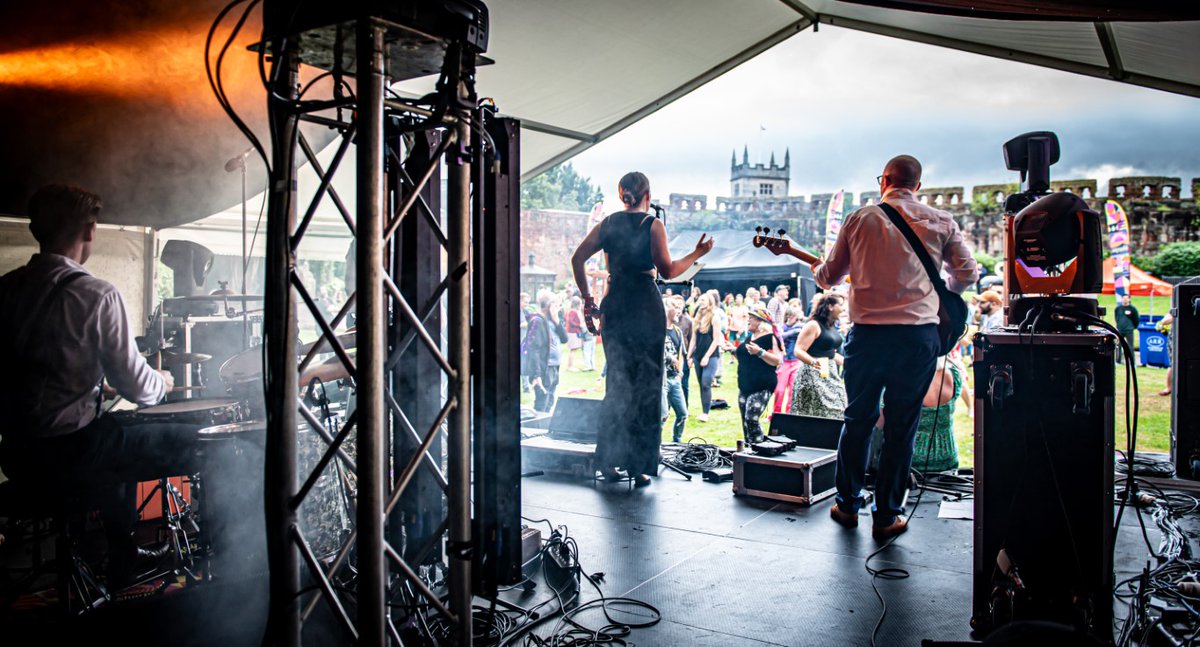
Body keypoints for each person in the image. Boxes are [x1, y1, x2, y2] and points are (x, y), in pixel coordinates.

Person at [0, 185, 200, 588]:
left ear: (37, 229)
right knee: (196, 439)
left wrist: (91, 390)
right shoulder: (96, 295)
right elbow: (139, 387)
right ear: (90, 230)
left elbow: (38, 374)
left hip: (18, 456)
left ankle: (120, 553)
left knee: (116, 439)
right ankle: (196, 563)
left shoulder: (6, 288)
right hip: (70, 456)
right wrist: (160, 380)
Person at [813, 155, 978, 541]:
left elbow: (829, 276)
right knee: (903, 426)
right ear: (917, 186)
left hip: (869, 336)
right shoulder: (940, 221)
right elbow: (967, 273)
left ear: (884, 180)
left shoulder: (860, 218)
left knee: (858, 421)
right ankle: (887, 515)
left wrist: (817, 271)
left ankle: (847, 504)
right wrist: (941, 295)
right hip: (917, 338)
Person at [571, 172, 713, 486]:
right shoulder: (652, 225)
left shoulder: (607, 224)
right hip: (646, 308)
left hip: (616, 304)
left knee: (618, 386)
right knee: (647, 388)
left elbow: (577, 257)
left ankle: (608, 464)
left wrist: (586, 299)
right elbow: (670, 270)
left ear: (621, 194)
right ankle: (638, 466)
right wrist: (697, 254)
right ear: (647, 195)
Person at [788, 293, 848, 420]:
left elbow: (830, 353)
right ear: (830, 307)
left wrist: (849, 363)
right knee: (816, 412)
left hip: (829, 371)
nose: (843, 309)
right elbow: (798, 350)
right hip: (812, 374)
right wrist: (815, 363)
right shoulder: (813, 325)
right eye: (841, 305)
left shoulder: (830, 326)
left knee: (839, 408)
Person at [735, 307, 782, 444]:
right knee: (745, 421)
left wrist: (760, 352)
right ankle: (748, 452)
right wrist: (732, 350)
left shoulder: (770, 337)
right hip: (744, 385)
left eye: (751, 317)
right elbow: (746, 358)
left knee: (751, 419)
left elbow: (777, 360)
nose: (748, 320)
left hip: (762, 385)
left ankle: (759, 448)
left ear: (761, 321)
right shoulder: (750, 337)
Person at [525, 290, 568, 412]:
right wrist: (537, 375)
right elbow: (534, 350)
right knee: (542, 402)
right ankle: (538, 429)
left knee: (549, 401)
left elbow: (565, 339)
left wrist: (556, 320)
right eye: (556, 305)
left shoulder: (554, 321)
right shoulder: (537, 321)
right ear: (550, 306)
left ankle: (545, 429)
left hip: (554, 367)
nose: (559, 308)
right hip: (544, 368)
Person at [688, 292, 724, 423]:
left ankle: (705, 413)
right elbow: (693, 339)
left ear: (710, 302)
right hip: (698, 356)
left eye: (704, 300)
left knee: (706, 383)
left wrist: (707, 357)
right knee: (700, 384)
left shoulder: (715, 317)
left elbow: (716, 340)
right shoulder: (696, 317)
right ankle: (704, 411)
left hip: (712, 355)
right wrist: (689, 356)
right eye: (700, 300)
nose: (701, 302)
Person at [661, 299, 688, 443]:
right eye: (676, 307)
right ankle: (655, 445)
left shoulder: (677, 330)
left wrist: (680, 373)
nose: (679, 310)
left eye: (680, 307)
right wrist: (668, 358)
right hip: (661, 380)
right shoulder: (657, 329)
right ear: (666, 309)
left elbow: (680, 353)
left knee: (682, 414)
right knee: (662, 415)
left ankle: (676, 442)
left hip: (674, 379)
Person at [773, 306, 806, 414]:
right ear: (790, 317)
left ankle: (789, 414)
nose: (798, 322)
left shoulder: (800, 327)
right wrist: (793, 331)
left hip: (796, 362)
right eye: (796, 319)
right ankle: (776, 413)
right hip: (784, 362)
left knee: (793, 391)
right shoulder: (782, 327)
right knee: (780, 390)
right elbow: (779, 337)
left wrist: (799, 326)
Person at [672, 293, 694, 406]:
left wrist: (691, 357)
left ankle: (685, 405)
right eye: (676, 305)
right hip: (670, 355)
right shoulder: (668, 319)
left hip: (684, 356)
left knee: (684, 383)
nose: (678, 307)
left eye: (680, 304)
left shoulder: (688, 321)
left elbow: (691, 340)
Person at [1114, 294, 1140, 365]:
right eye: (1123, 298)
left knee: (1130, 346)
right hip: (1120, 330)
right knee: (1118, 345)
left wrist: (1133, 327)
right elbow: (1116, 318)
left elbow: (1136, 319)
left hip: (1129, 330)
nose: (1125, 300)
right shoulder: (1118, 309)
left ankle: (1132, 362)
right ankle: (1118, 361)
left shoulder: (1132, 309)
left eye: (1126, 298)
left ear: (1129, 299)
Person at [563, 295, 586, 371]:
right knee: (573, 349)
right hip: (573, 333)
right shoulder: (572, 312)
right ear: (577, 304)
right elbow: (571, 321)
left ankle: (570, 366)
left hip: (575, 332)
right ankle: (570, 367)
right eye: (580, 303)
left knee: (574, 349)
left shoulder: (575, 311)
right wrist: (579, 325)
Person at [1158, 313, 1175, 396]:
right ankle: (1169, 388)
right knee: (1173, 364)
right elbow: (1165, 321)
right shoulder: (1176, 307)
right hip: (1175, 338)